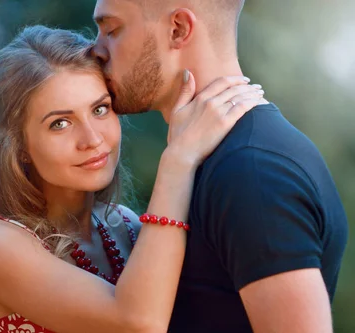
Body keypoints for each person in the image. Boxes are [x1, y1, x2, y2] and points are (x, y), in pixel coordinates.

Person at [0, 25, 264, 333]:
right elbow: (137, 322)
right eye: (60, 123)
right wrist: (178, 159)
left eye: (100, 109)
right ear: (20, 147)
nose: (91, 138)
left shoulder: (127, 228)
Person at [90, 0, 348, 332]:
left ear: (178, 29)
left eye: (111, 30)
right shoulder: (215, 156)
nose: (95, 50)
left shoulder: (252, 172)